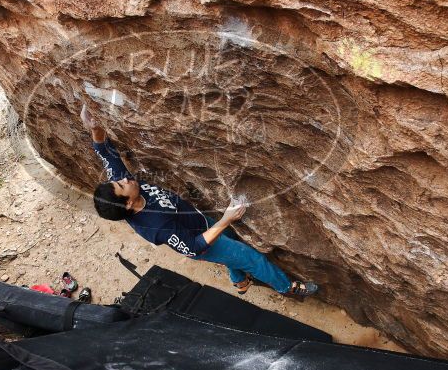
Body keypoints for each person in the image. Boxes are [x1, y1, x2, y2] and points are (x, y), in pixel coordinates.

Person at [81, 104, 318, 297]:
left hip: (198, 221)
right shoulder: (157, 226)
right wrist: (225, 220)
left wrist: (94, 128)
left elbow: (104, 152)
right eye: (123, 186)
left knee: (232, 240)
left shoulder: (125, 191)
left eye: (120, 181)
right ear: (129, 205)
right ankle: (288, 288)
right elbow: (193, 247)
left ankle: (240, 281)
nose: (126, 180)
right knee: (248, 256)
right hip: (202, 243)